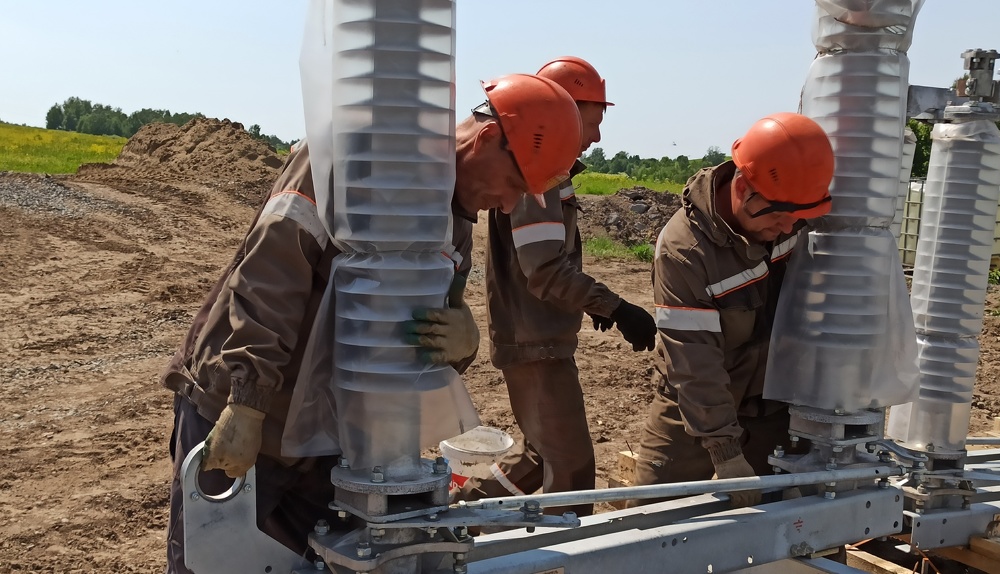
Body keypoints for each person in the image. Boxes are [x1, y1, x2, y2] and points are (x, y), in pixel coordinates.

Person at [160, 73, 583, 573]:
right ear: (488, 138)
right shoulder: (348, 159)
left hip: (326, 438)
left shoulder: (453, 221)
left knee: (325, 562)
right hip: (245, 411)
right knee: (215, 562)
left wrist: (463, 341)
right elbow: (271, 274)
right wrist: (246, 404)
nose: (509, 206)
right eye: (514, 185)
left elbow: (424, 333)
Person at [458, 57, 657, 518]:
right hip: (536, 343)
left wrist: (593, 304)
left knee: (537, 457)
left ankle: (459, 511)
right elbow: (545, 269)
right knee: (571, 469)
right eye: (593, 121)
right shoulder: (541, 175)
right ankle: (561, 551)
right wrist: (615, 307)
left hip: (534, 335)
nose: (596, 136)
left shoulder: (545, 169)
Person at [630, 112, 834, 508]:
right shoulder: (685, 252)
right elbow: (695, 363)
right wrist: (725, 453)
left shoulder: (789, 215)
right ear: (742, 188)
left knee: (787, 517)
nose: (787, 228)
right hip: (694, 403)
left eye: (798, 219)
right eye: (779, 216)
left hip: (772, 402)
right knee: (651, 516)